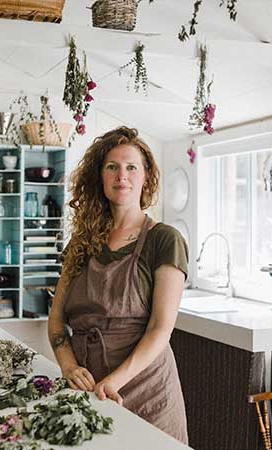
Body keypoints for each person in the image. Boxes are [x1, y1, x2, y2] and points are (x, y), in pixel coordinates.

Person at [47, 126, 189, 442]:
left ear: (146, 177)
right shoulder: (81, 243)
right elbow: (57, 320)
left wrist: (115, 380)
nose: (121, 175)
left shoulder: (165, 240)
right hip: (88, 387)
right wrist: (69, 367)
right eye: (112, 166)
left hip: (147, 388)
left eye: (131, 167)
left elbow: (160, 329)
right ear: (100, 177)